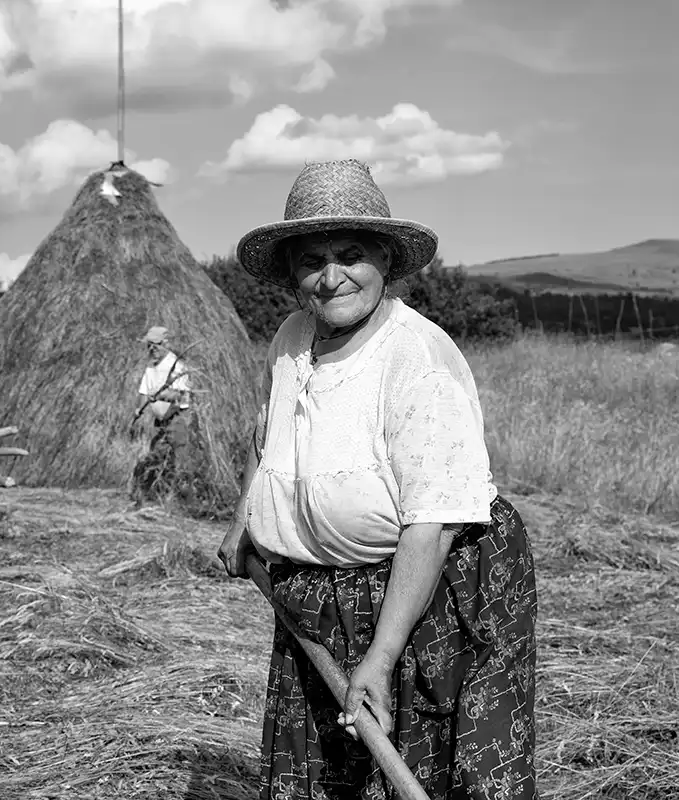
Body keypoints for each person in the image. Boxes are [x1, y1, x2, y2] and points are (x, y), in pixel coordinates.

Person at [218, 159, 537, 799]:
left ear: (385, 259)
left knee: (428, 767)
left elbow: (434, 521)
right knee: (327, 768)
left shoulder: (417, 358)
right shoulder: (290, 337)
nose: (331, 277)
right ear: (291, 272)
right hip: (317, 597)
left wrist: (383, 655)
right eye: (312, 259)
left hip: (427, 594)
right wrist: (244, 521)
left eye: (351, 254)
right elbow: (267, 434)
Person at [131, 325, 206, 509]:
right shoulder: (151, 366)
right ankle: (150, 498)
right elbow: (144, 391)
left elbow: (180, 394)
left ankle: (186, 503)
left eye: (155, 345)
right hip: (161, 423)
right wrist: (138, 410)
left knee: (180, 461)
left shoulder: (176, 365)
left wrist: (161, 395)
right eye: (149, 345)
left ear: (165, 344)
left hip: (178, 419)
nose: (152, 349)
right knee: (154, 459)